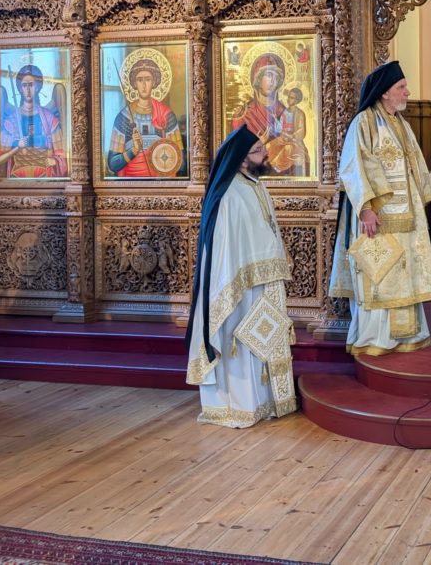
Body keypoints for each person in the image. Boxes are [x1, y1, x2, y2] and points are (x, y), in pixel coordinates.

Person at [185, 126, 297, 427]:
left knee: (263, 339)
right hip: (237, 285)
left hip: (263, 280)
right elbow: (225, 249)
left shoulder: (255, 185)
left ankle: (265, 402)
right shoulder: (229, 194)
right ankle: (239, 406)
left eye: (263, 149)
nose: (266, 155)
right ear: (241, 158)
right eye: (258, 151)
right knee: (243, 340)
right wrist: (238, 278)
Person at [329, 61, 431, 356]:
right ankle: (375, 339)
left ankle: (405, 337)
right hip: (377, 219)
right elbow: (353, 167)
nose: (408, 92)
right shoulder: (364, 122)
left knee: (405, 275)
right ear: (384, 94)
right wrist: (366, 209)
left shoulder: (399, 124)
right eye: (401, 87)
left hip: (405, 220)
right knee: (379, 274)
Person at [107, 57, 184, 177]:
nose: (143, 85)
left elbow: (182, 163)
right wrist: (133, 150)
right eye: (139, 80)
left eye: (148, 79)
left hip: (161, 183)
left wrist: (161, 157)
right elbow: (112, 164)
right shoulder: (124, 118)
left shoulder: (166, 115)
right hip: (130, 184)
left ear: (154, 82)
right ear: (134, 83)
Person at [0, 64, 68, 178]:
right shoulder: (11, 121)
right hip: (17, 180)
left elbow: (62, 155)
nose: (28, 90)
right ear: (20, 88)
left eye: (31, 85)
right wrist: (17, 148)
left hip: (45, 177)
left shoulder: (49, 119)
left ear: (38, 86)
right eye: (24, 85)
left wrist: (54, 161)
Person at [231, 53, 287, 174]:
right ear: (257, 78)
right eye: (268, 75)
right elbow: (236, 152)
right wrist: (262, 141)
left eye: (276, 77)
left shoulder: (284, 112)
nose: (272, 81)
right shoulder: (243, 114)